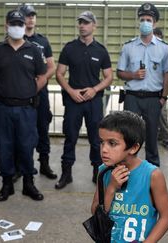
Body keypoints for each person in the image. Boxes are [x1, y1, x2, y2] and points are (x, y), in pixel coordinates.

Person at [0, 10, 46, 201]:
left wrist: (28, 91)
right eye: (13, 24)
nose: (17, 27)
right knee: (4, 147)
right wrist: (5, 90)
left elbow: (42, 76)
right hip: (3, 108)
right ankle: (6, 184)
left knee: (27, 146)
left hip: (27, 109)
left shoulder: (34, 50)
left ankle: (29, 183)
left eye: (20, 24)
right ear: (6, 25)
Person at [91, 110, 168, 242]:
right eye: (102, 142)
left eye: (112, 143)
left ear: (133, 148)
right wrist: (111, 188)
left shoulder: (152, 175)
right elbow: (95, 213)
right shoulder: (103, 171)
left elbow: (166, 218)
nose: (104, 149)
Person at [55, 11, 113, 189]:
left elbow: (109, 77)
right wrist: (71, 91)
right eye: (80, 22)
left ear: (94, 26)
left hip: (93, 102)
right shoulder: (69, 48)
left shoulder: (101, 51)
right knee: (70, 137)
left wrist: (94, 90)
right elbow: (59, 73)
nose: (82, 25)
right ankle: (66, 174)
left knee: (96, 140)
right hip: (74, 101)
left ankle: (98, 173)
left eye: (86, 23)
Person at [117, 2, 168, 166]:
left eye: (148, 19)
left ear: (155, 23)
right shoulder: (128, 47)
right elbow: (120, 73)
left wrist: (163, 98)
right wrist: (133, 75)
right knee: (129, 137)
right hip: (132, 97)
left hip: (153, 99)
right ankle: (125, 172)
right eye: (142, 19)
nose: (145, 23)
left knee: (152, 139)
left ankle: (153, 176)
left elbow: (167, 75)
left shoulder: (163, 48)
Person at [18, 4, 57, 179]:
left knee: (42, 128)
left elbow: (51, 67)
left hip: (40, 94)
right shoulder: (13, 40)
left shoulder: (43, 41)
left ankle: (44, 163)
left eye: (33, 15)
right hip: (20, 95)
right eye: (27, 16)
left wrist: (38, 83)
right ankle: (20, 167)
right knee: (21, 131)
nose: (31, 18)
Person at [153, 28, 168, 151]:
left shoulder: (164, 53)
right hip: (148, 93)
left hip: (160, 93)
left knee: (162, 118)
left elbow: (167, 76)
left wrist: (164, 96)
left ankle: (166, 140)